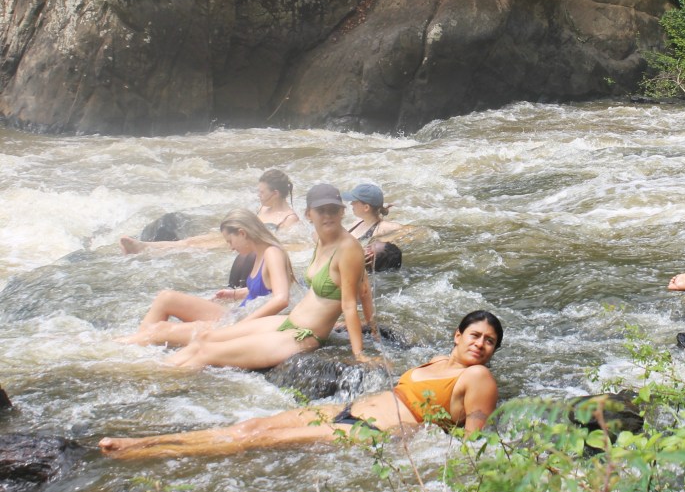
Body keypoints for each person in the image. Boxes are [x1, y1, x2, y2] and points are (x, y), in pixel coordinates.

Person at [98, 310, 503, 459]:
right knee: (250, 427)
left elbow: (471, 444)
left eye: (490, 342)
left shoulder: (478, 377)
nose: (481, 345)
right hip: (347, 411)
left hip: (366, 433)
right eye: (476, 336)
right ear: (457, 335)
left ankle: (138, 452)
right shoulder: (434, 361)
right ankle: (149, 441)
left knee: (249, 443)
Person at [161, 184, 374, 369]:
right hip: (289, 321)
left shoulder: (348, 249)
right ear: (309, 214)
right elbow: (363, 288)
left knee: (207, 353)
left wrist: (359, 354)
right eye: (321, 210)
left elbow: (348, 305)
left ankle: (161, 380)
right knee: (205, 338)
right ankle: (155, 370)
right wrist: (372, 324)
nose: (327, 216)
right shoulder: (321, 238)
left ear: (342, 213)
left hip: (304, 336)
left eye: (333, 210)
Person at [116, 210, 295, 347]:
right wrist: (235, 294)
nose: (230, 247)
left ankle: (122, 347)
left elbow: (281, 299)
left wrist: (241, 326)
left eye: (229, 241)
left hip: (243, 323)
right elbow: (266, 290)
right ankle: (135, 343)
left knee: (161, 331)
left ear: (242, 233)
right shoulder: (260, 253)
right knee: (166, 297)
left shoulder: (272, 253)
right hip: (237, 315)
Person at [120, 169, 300, 254]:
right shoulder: (263, 207)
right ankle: (143, 246)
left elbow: (282, 244)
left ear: (275, 194)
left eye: (262, 192)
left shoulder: (289, 218)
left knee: (193, 246)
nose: (258, 195)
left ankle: (145, 248)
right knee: (189, 241)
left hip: (245, 244)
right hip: (235, 237)